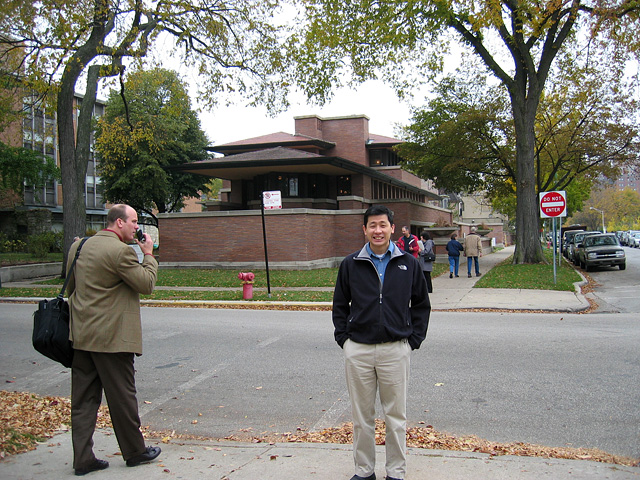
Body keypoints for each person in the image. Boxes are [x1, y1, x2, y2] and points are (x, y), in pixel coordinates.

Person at [333, 205, 430, 480]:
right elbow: (340, 305)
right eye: (372, 225)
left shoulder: (409, 264)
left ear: (392, 229)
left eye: (383, 225)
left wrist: (413, 341)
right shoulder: (350, 264)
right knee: (361, 418)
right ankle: (364, 471)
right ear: (364, 229)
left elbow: (421, 305)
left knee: (395, 417)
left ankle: (396, 472)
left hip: (395, 350)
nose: (378, 230)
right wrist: (345, 340)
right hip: (359, 350)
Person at [67, 204, 161, 476]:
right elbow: (146, 284)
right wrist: (148, 255)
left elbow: (73, 288)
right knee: (122, 398)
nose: (136, 227)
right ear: (118, 222)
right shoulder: (120, 252)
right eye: (133, 221)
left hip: (82, 337)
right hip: (113, 339)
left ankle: (82, 459)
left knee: (83, 401)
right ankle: (135, 452)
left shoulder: (79, 247)